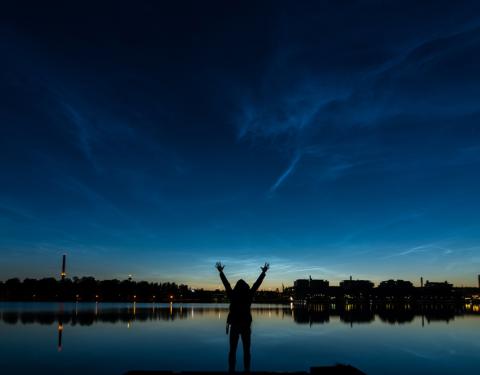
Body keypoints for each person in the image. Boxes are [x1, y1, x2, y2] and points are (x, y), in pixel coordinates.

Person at [215, 261, 269, 373]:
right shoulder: (248, 295)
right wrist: (263, 272)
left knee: (232, 350)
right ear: (246, 287)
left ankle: (231, 370)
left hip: (235, 325)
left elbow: (226, 284)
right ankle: (247, 370)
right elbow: (256, 284)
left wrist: (221, 272)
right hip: (245, 326)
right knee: (246, 350)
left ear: (237, 287)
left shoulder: (233, 295)